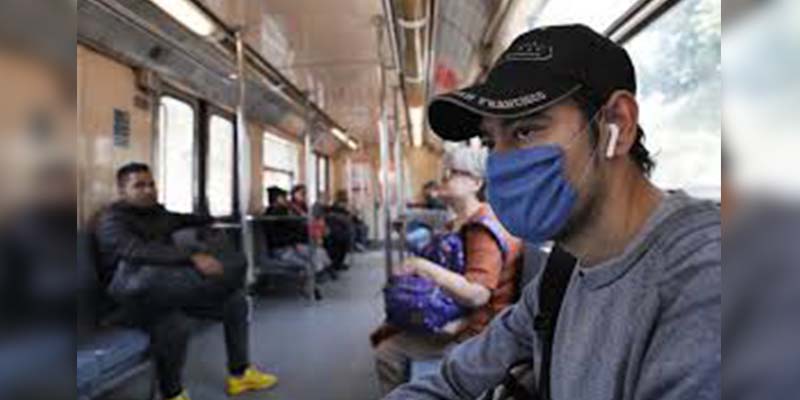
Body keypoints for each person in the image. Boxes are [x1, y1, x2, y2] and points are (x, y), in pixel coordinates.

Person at [386, 24, 721, 400]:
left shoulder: (707, 275)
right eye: (490, 141)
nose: (500, 164)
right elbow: (454, 381)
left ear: (617, 125)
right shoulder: (563, 271)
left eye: (525, 131)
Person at [95, 163, 278, 400]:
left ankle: (240, 374)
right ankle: (172, 394)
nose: (148, 190)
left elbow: (185, 219)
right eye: (139, 186)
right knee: (174, 322)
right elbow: (135, 250)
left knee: (235, 302)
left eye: (151, 184)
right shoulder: (111, 220)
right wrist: (191, 257)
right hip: (130, 299)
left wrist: (210, 222)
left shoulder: (158, 215)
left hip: (168, 290)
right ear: (122, 191)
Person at [373, 147, 523, 395]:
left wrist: (423, 267)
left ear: (476, 182)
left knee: (388, 352)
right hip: (461, 317)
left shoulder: (482, 229)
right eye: (444, 172)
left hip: (478, 330)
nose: (443, 178)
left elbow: (478, 294)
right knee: (393, 327)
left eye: (452, 173)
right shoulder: (458, 223)